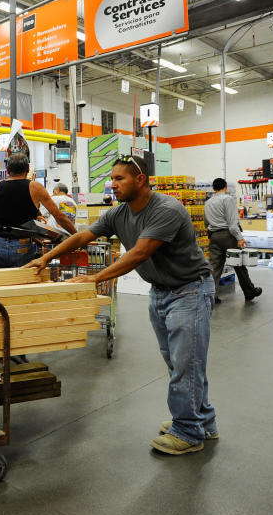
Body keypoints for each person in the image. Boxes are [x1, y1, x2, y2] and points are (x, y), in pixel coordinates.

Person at [25, 155, 217, 455]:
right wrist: (47, 257)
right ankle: (200, 421)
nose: (112, 184)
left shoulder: (167, 209)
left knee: (185, 365)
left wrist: (94, 279)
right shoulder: (119, 213)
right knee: (179, 363)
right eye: (112, 179)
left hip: (189, 292)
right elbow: (82, 237)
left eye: (119, 179)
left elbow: (138, 254)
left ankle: (189, 432)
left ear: (140, 180)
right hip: (161, 291)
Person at [0, 152, 76, 268]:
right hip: (20, 245)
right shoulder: (35, 187)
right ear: (28, 169)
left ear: (7, 170)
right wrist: (77, 236)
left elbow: (6, 213)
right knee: (21, 283)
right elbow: (60, 217)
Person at [205, 178, 262, 303]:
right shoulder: (228, 199)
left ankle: (211, 296)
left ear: (213, 188)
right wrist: (239, 238)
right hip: (228, 236)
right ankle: (249, 292)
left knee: (214, 267)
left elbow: (206, 222)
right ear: (225, 186)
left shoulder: (208, 202)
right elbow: (232, 223)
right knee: (239, 265)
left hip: (214, 236)